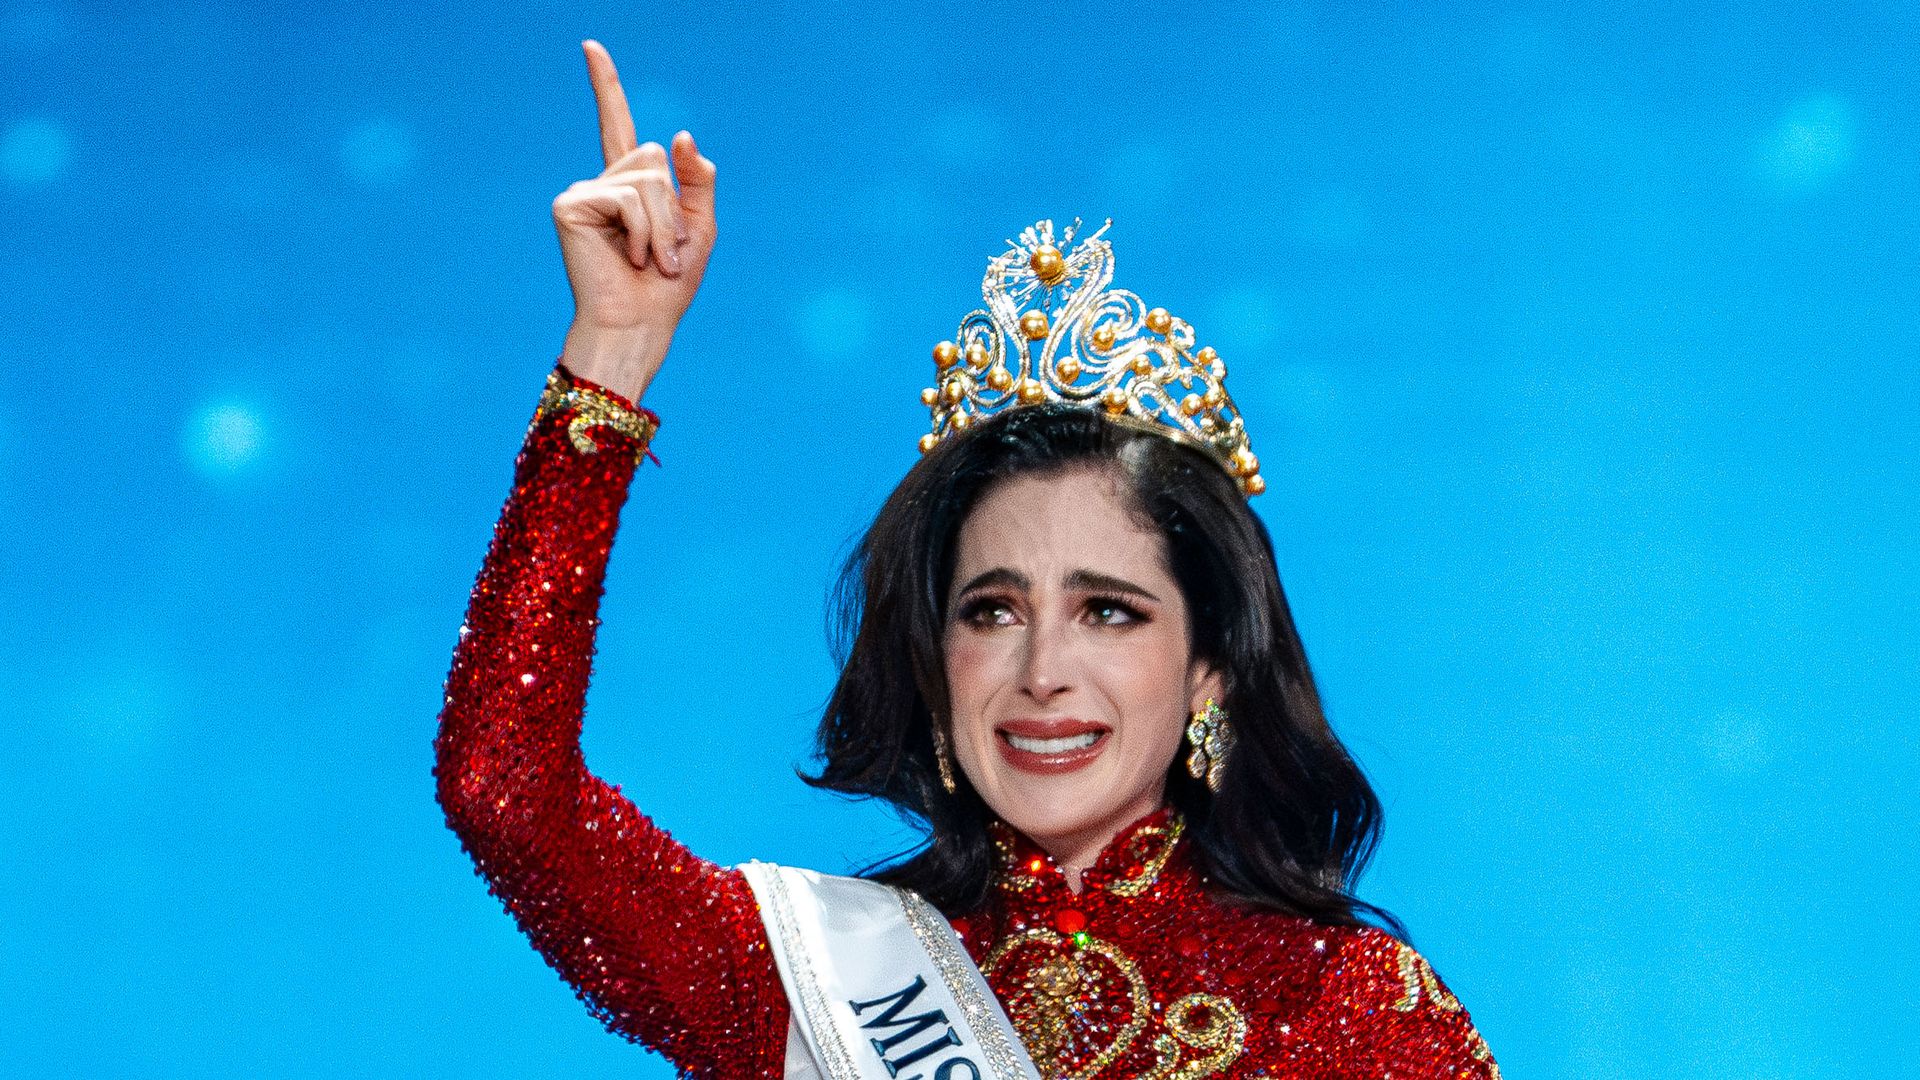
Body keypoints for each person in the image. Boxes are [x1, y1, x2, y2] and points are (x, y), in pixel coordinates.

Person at [434, 39, 1500, 1080]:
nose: (1042, 671)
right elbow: (502, 791)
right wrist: (613, 351)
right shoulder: (802, 983)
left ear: (1212, 661)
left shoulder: (1350, 1013)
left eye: (1110, 612)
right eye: (992, 611)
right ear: (935, 656)